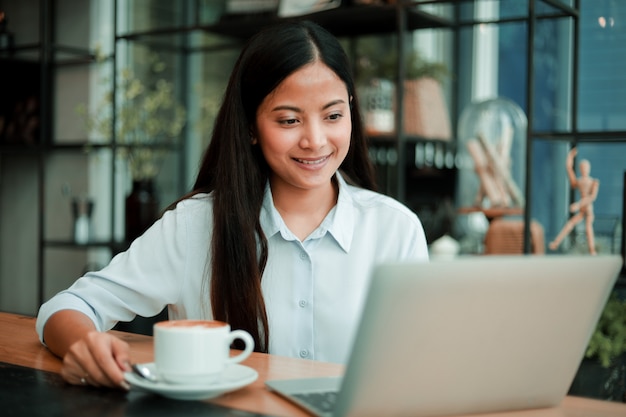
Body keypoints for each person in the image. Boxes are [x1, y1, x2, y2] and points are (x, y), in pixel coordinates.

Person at [36, 20, 429, 390]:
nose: (315, 140)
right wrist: (83, 344)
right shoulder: (195, 226)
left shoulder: (395, 230)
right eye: (289, 121)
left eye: (333, 116)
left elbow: (421, 365)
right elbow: (70, 305)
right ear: (250, 128)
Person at [548, 147, 599, 255]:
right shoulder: (579, 181)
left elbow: (592, 197)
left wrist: (578, 204)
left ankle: (592, 250)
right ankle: (557, 242)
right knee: (570, 224)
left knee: (588, 227)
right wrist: (570, 156)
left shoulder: (593, 182)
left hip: (587, 207)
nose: (584, 169)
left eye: (586, 167)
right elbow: (569, 169)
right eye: (582, 167)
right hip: (581, 208)